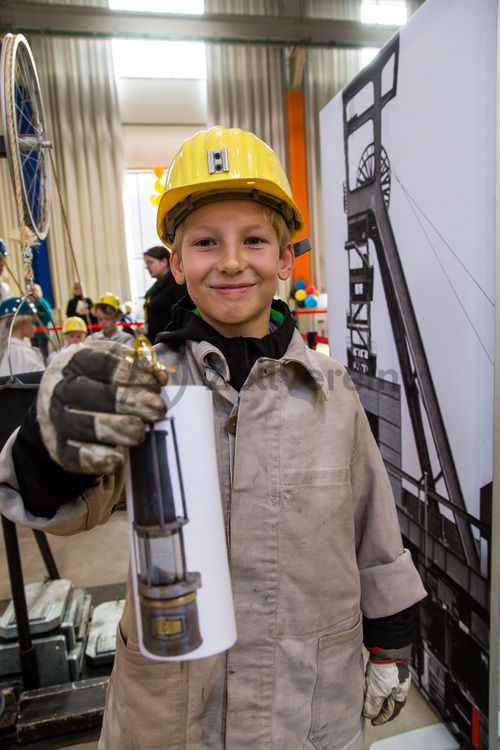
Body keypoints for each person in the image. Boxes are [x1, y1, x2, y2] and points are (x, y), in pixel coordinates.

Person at [0, 126, 426, 749]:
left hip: (305, 704)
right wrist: (55, 435)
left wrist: (389, 643)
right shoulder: (143, 388)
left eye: (254, 239)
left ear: (285, 259)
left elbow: (373, 527)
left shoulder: (332, 391)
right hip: (171, 711)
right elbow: (62, 507)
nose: (230, 260)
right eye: (205, 243)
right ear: (177, 262)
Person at [143, 245, 187, 343]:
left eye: (150, 262)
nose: (147, 267)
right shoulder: (158, 284)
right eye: (146, 263)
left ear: (164, 262)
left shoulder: (176, 282)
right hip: (157, 341)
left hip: (172, 343)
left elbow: (183, 315)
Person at [0, 296, 45, 376]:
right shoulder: (26, 354)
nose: (34, 326)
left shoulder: (5, 349)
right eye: (33, 322)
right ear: (23, 323)